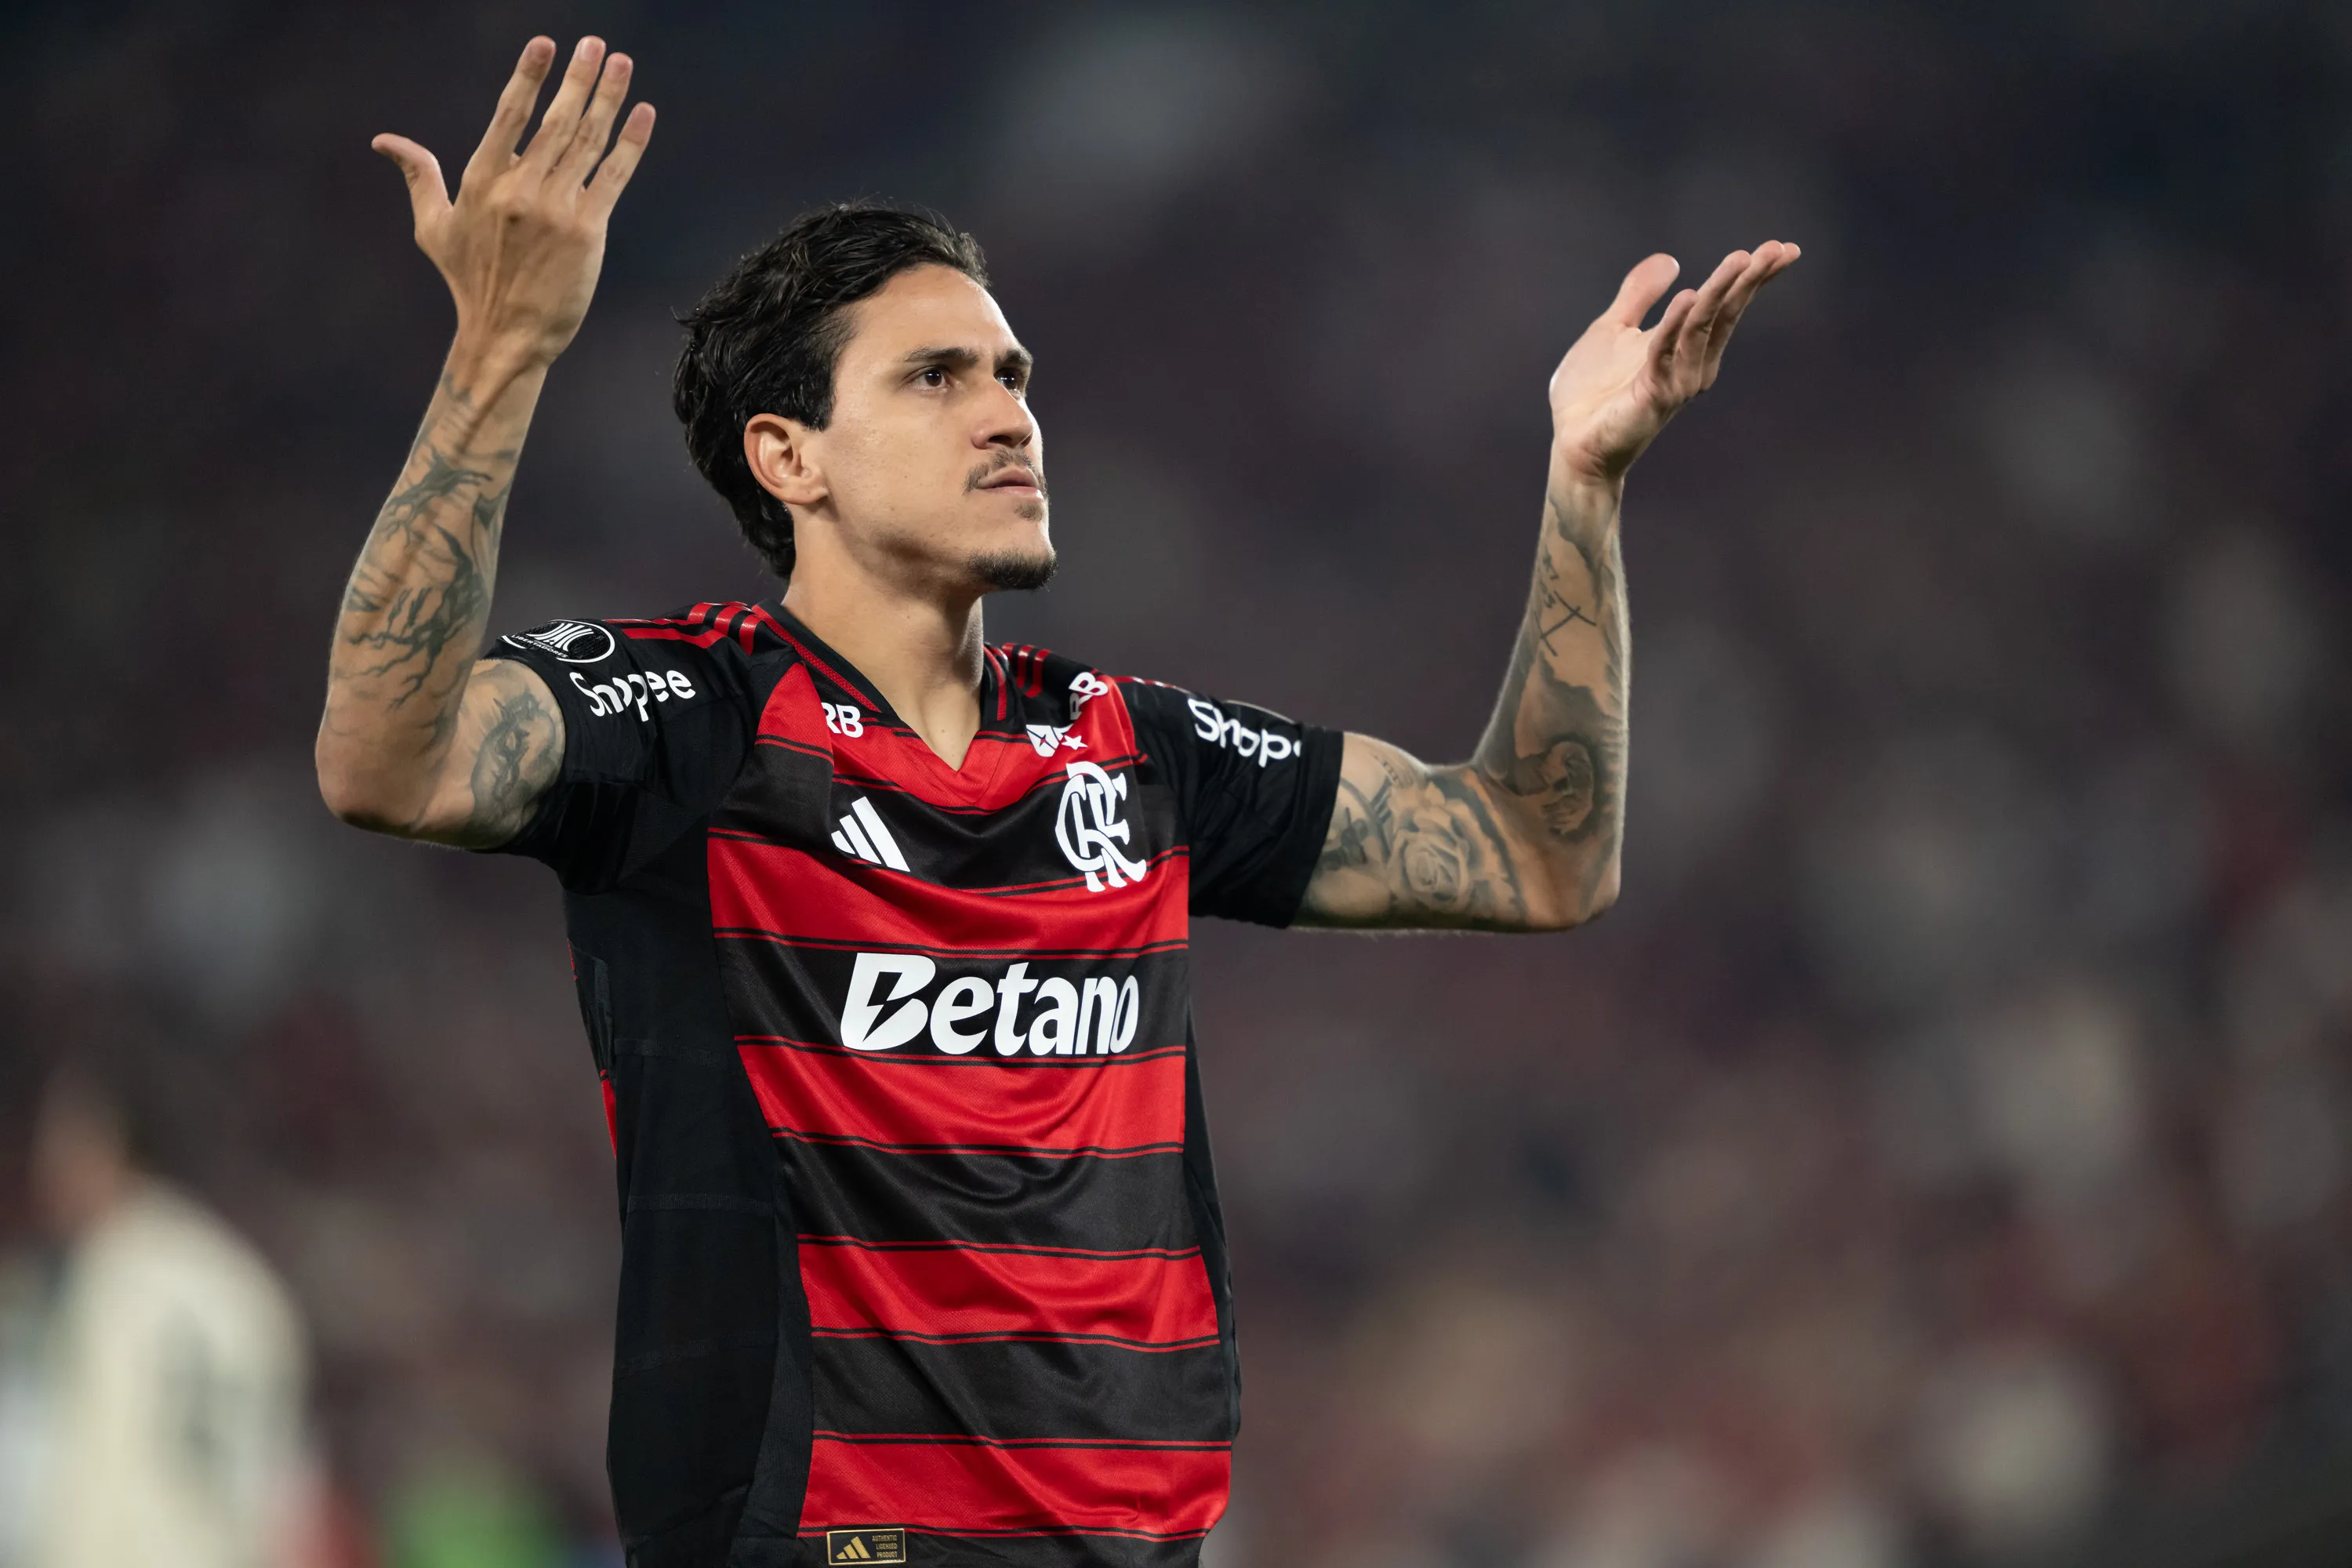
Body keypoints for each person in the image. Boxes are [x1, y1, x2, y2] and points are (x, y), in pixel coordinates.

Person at [314, 34, 1796, 1568]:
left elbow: (1539, 852)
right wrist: (501, 352)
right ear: (789, 454)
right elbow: (385, 759)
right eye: (936, 376)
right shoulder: (691, 718)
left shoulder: (1125, 748)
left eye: (1013, 374)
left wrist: (1585, 483)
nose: (1008, 413)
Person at [25, 1062, 310, 1568]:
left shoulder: (114, 1273)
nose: (46, 1168)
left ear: (112, 1146)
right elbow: (283, 1485)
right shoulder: (242, 1281)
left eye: (63, 1143)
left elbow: (95, 1475)